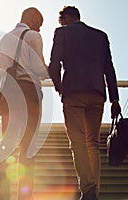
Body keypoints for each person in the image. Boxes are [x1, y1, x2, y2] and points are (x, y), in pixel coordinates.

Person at [48, 6, 121, 200]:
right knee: (93, 143)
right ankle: (94, 190)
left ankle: (88, 189)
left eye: (62, 21)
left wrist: (59, 88)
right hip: (98, 94)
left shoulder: (62, 33)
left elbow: (54, 65)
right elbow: (109, 69)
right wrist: (115, 99)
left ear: (65, 19)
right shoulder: (101, 36)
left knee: (78, 141)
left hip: (73, 93)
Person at [0, 7, 48, 200]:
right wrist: (53, 72)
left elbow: (2, 71)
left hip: (8, 94)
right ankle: (25, 196)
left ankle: (3, 195)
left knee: (6, 146)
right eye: (39, 24)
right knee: (28, 146)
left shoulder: (4, 39)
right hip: (29, 94)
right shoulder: (33, 36)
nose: (40, 29)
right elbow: (38, 68)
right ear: (33, 19)